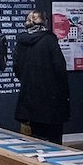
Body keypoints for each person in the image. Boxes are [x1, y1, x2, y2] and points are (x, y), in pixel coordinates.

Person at [13, 9, 69, 144]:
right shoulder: (49, 40)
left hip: (29, 98)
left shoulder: (21, 41)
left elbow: (16, 67)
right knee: (54, 141)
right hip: (51, 99)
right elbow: (60, 68)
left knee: (34, 141)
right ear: (45, 22)